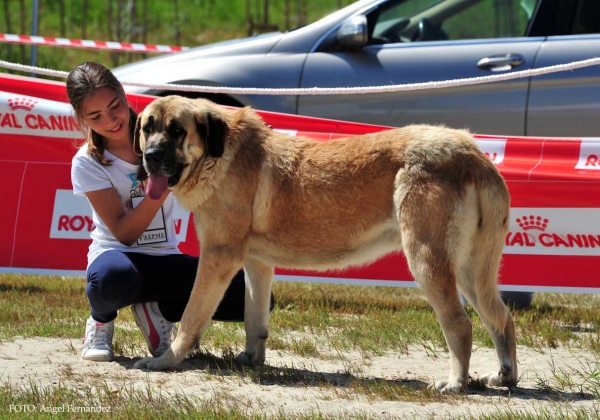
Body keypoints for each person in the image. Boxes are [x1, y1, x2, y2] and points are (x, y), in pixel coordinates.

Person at [67, 61, 266, 362]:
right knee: (109, 281)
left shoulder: (164, 128)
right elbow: (124, 234)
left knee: (248, 296)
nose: (111, 120)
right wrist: (157, 191)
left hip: (167, 260)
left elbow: (214, 126)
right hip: (119, 259)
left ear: (123, 94)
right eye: (95, 116)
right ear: (81, 118)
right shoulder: (86, 162)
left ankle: (157, 309)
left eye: (114, 106)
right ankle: (101, 320)